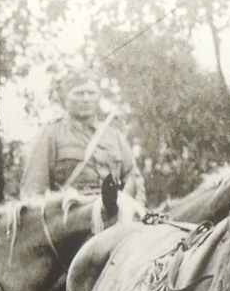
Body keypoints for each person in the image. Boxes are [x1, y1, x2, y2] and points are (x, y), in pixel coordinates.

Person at [19, 71, 145, 204]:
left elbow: (134, 178)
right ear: (65, 99)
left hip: (115, 212)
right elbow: (34, 191)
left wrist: (132, 209)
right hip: (71, 215)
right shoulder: (50, 134)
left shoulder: (114, 136)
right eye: (79, 93)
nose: (86, 99)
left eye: (91, 93)